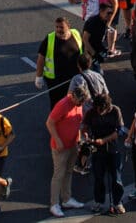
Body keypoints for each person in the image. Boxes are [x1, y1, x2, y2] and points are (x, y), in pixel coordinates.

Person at [45, 83, 85, 218]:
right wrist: (58, 140)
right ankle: (54, 204)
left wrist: (78, 138)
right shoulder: (63, 105)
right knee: (58, 174)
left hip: (72, 144)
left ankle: (66, 199)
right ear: (73, 96)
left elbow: (78, 122)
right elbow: (49, 122)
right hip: (61, 146)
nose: (80, 105)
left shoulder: (78, 105)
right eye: (79, 102)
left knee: (68, 171)